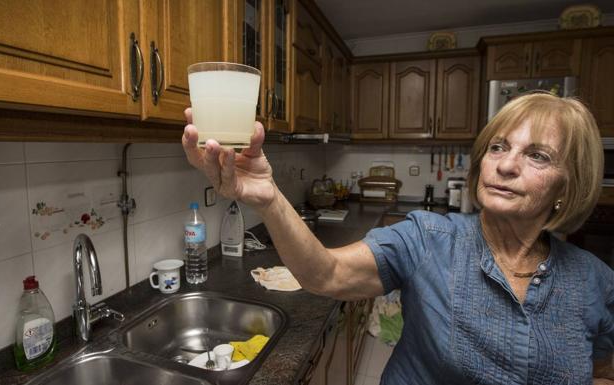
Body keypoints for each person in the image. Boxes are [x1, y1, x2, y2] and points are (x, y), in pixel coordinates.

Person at [182, 92, 614, 384]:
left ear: (566, 187)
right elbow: (326, 273)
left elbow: (601, 371)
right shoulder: (428, 237)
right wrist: (270, 197)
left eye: (537, 155)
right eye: (498, 147)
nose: (505, 165)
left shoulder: (596, 282)